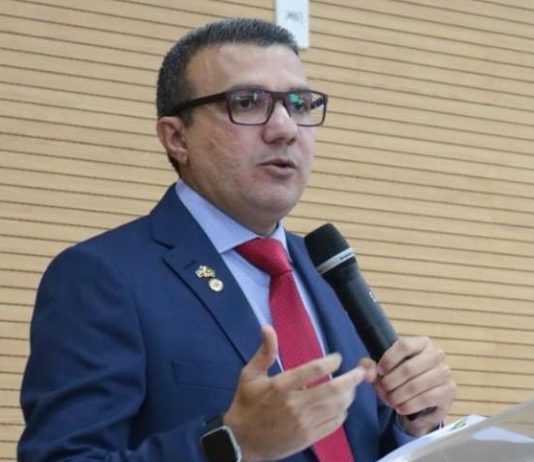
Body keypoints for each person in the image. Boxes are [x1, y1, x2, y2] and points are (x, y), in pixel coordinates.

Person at [18, 17, 456, 462]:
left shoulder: (325, 271)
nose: (285, 128)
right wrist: (233, 442)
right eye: (247, 103)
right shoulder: (102, 277)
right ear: (177, 137)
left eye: (300, 104)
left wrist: (413, 425)